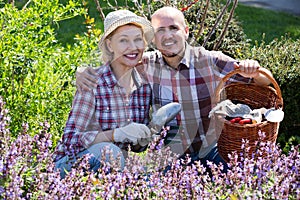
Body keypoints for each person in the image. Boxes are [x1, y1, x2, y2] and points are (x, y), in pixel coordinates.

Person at [75, 6, 273, 173]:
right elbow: (114, 62)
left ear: (186, 31)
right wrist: (82, 71)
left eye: (173, 28)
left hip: (212, 149)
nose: (167, 35)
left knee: (246, 173)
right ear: (153, 38)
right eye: (160, 30)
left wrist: (254, 71)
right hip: (169, 155)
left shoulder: (210, 61)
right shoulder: (146, 64)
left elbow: (264, 83)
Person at [53, 9, 155, 178]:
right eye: (123, 40)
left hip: (112, 171)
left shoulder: (143, 87)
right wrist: (116, 134)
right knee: (108, 152)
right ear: (109, 45)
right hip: (69, 168)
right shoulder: (92, 82)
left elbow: (135, 147)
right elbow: (71, 140)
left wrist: (142, 138)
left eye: (138, 39)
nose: (133, 47)